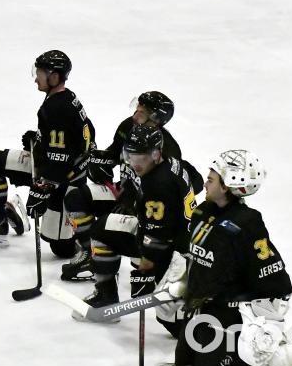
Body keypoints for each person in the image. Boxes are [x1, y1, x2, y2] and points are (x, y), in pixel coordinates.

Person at [159, 150, 292, 366]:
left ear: (226, 186)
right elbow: (198, 257)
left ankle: (288, 358)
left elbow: (271, 274)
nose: (205, 184)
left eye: (211, 180)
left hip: (228, 315)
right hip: (201, 308)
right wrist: (184, 283)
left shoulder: (246, 223)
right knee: (186, 363)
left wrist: (264, 318)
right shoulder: (203, 211)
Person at [61, 91, 196, 282]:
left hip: (148, 212)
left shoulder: (168, 149)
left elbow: (175, 191)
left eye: (142, 112)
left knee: (119, 241)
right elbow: (114, 154)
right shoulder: (128, 126)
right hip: (122, 194)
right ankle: (89, 254)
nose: (135, 114)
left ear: (156, 119)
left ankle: (108, 263)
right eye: (137, 108)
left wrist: (136, 205)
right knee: (76, 197)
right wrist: (98, 161)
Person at [0, 50, 95, 251]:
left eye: (40, 74)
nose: (36, 78)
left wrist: (43, 189)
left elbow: (60, 159)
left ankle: (88, 235)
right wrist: (39, 139)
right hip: (59, 169)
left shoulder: (56, 108)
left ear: (54, 77)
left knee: (62, 249)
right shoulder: (68, 97)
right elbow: (79, 137)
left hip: (63, 179)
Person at [82, 124, 197, 309]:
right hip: (183, 240)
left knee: (100, 230)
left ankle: (106, 296)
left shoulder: (157, 185)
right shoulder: (171, 162)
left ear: (155, 154)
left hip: (171, 249)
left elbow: (158, 235)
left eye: (141, 157)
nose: (134, 162)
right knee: (104, 225)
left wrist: (146, 267)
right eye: (130, 155)